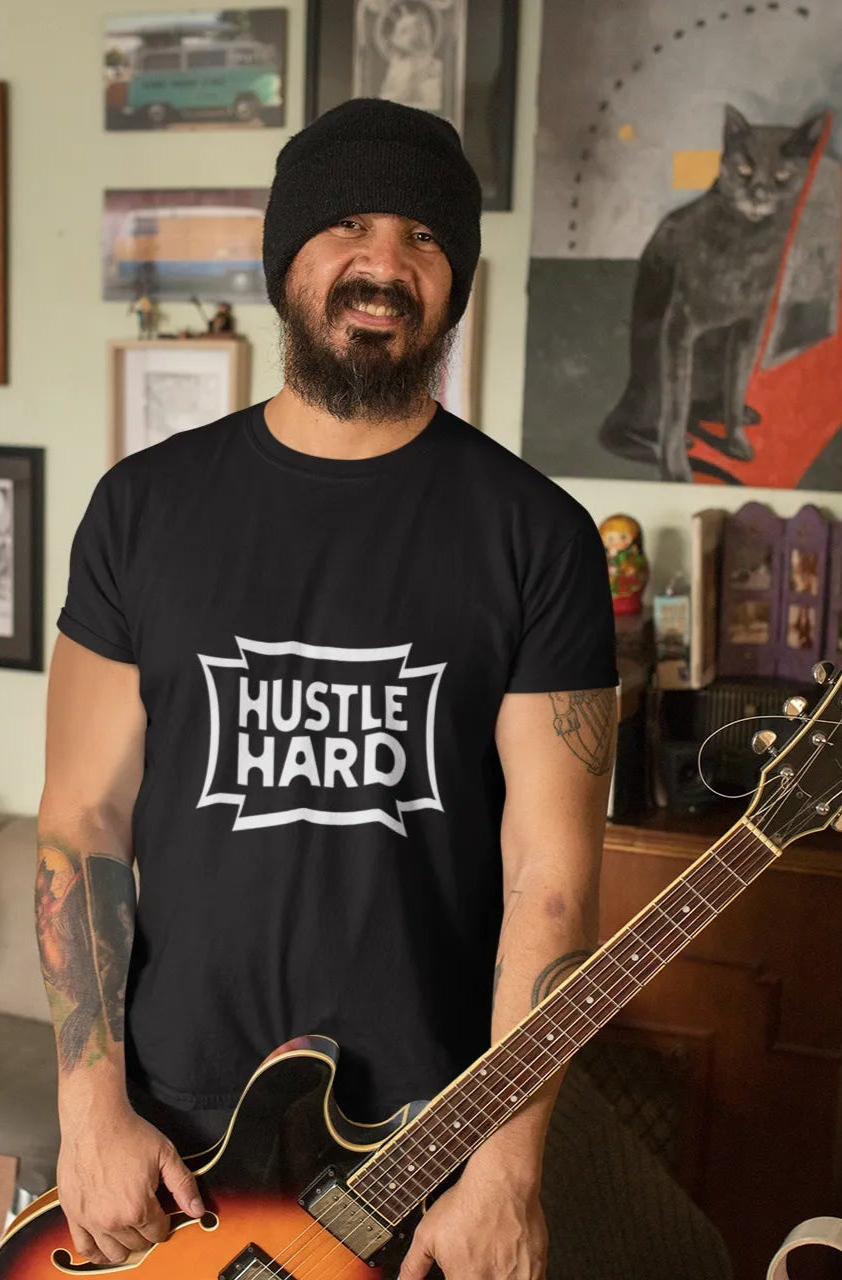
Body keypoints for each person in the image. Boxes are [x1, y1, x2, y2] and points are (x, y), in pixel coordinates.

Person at [38, 98, 618, 1280]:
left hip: (422, 1144)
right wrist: (89, 1111)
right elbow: (81, 820)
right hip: (171, 1134)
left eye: (421, 236)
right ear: (285, 256)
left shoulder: (539, 539)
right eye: (349, 222)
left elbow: (551, 877)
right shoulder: (140, 512)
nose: (384, 265)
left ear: (454, 277)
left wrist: (503, 1170)